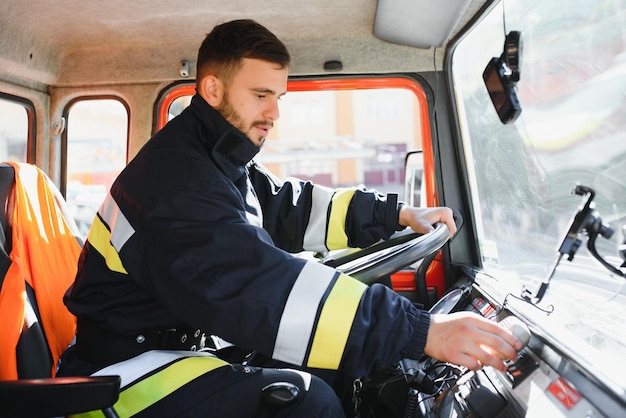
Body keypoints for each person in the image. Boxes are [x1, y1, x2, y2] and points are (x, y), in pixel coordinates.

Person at [57, 19, 522, 417]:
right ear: (212, 88)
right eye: (261, 94)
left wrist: (398, 214)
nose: (275, 112)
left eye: (278, 96)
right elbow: (259, 286)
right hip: (120, 373)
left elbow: (288, 207)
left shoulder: (214, 158)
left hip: (175, 344)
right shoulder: (177, 183)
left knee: (331, 362)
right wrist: (421, 331)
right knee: (305, 401)